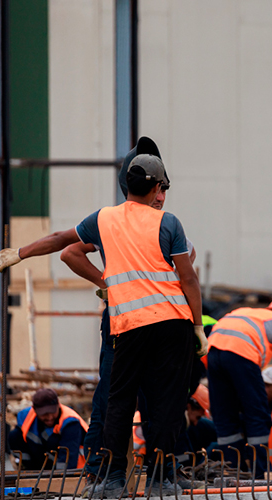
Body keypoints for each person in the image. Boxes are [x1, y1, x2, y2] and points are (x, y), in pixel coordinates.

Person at [0, 154, 207, 497]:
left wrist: (21, 252)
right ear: (155, 188)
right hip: (172, 324)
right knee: (166, 402)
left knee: (119, 400)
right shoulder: (168, 223)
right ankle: (161, 479)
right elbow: (189, 279)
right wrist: (198, 328)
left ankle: (111, 479)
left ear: (126, 186)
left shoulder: (104, 219)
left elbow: (61, 241)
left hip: (128, 325)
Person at [58, 136, 197, 490]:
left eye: (165, 187)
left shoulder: (161, 223)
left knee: (151, 399)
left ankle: (156, 474)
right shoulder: (115, 222)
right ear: (145, 186)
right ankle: (106, 472)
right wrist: (107, 283)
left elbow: (184, 266)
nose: (162, 194)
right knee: (115, 397)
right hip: (130, 320)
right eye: (159, 186)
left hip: (151, 321)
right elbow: (70, 250)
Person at [206, 298, 272, 476]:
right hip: (242, 353)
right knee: (258, 416)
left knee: (225, 418)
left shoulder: (249, 313)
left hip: (213, 352)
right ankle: (260, 475)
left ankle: (231, 472)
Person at [9, 389, 88, 470]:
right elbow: (17, 440)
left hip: (77, 469)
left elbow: (68, 458)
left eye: (52, 412)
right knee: (14, 436)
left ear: (58, 405)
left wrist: (60, 479)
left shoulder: (70, 422)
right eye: (44, 414)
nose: (50, 417)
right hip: (43, 463)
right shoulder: (25, 417)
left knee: (53, 440)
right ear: (35, 410)